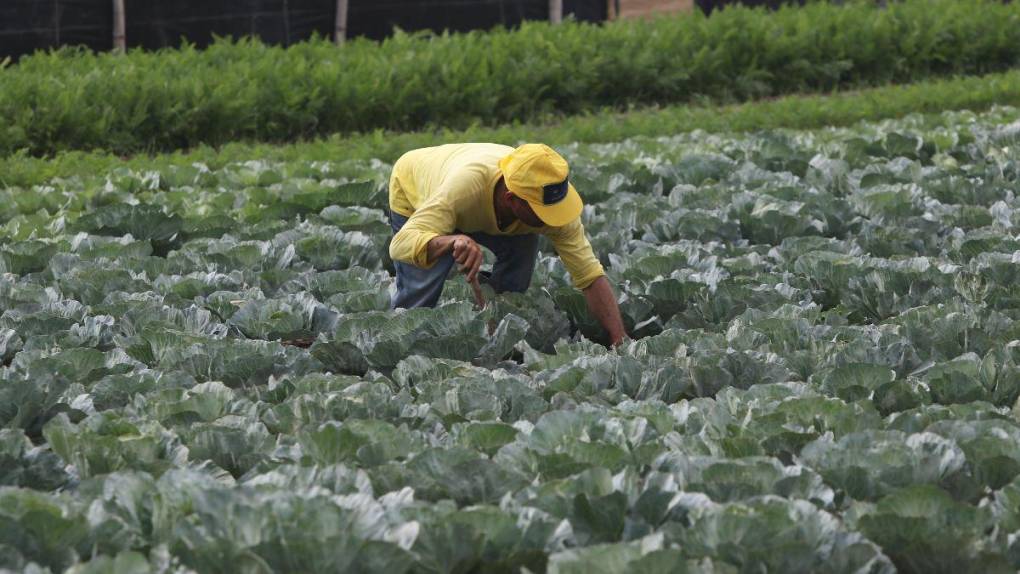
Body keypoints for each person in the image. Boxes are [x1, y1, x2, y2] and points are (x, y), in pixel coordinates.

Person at [387, 142, 628, 347]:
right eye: (542, 213)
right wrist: (451, 240)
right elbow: (400, 245)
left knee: (517, 271)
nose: (551, 220)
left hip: (478, 200)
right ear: (512, 200)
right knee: (420, 290)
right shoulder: (462, 191)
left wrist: (619, 339)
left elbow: (589, 275)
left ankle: (494, 334)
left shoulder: (551, 194)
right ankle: (399, 346)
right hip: (416, 184)